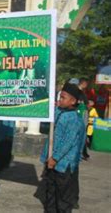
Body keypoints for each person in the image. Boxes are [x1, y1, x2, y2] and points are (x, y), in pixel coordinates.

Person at [39, 82, 86, 212]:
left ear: (73, 101)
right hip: (51, 162)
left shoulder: (74, 119)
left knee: (63, 199)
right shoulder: (59, 112)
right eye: (60, 97)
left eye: (63, 97)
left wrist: (55, 158)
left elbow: (68, 142)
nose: (60, 100)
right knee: (50, 195)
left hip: (63, 165)